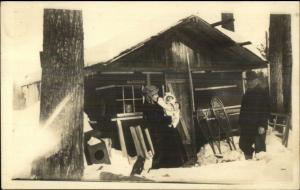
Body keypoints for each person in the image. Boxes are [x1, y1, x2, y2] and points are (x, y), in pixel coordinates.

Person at [141, 85, 187, 169]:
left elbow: (166, 109)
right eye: (154, 94)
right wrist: (170, 119)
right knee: (171, 134)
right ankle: (170, 163)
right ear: (149, 96)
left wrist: (174, 107)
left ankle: (179, 160)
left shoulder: (155, 103)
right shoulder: (147, 107)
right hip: (156, 131)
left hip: (161, 127)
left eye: (156, 94)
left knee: (173, 131)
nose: (157, 96)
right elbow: (156, 120)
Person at [239, 71, 271, 160]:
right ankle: (249, 163)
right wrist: (241, 123)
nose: (249, 82)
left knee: (259, 149)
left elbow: (266, 110)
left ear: (257, 80)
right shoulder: (247, 93)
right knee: (243, 145)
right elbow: (243, 110)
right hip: (247, 126)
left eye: (251, 80)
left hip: (258, 126)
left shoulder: (263, 92)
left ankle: (261, 167)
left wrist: (262, 125)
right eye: (248, 80)